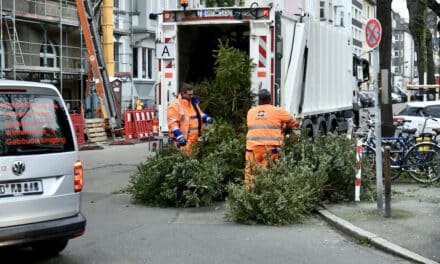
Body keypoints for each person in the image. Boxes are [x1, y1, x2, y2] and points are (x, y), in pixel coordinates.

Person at [245, 89, 299, 189]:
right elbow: (293, 121)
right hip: (270, 149)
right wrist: (283, 127)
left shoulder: (250, 112)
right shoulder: (277, 111)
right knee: (268, 172)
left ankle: (250, 196)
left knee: (250, 173)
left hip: (252, 149)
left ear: (259, 100)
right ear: (270, 99)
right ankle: (266, 195)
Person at [166, 83, 213, 152]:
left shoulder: (193, 104)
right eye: (189, 94)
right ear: (183, 93)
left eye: (192, 94)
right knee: (186, 159)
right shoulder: (174, 106)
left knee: (193, 160)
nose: (192, 96)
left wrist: (207, 118)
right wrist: (179, 137)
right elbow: (173, 124)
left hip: (194, 139)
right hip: (184, 141)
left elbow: (199, 113)